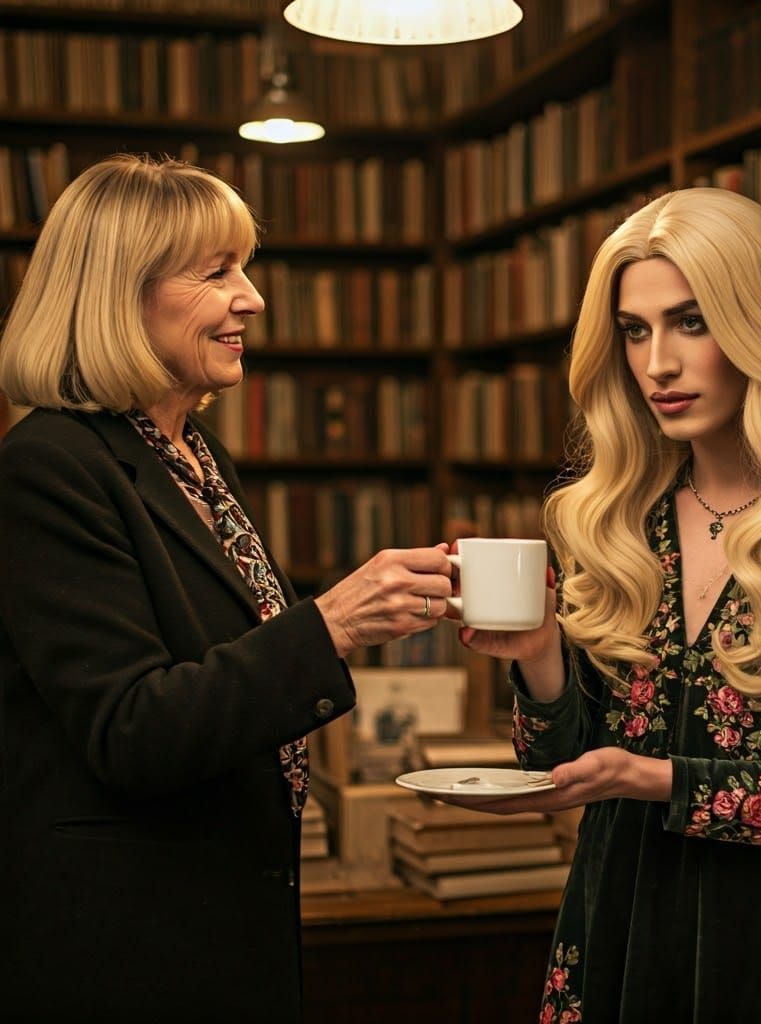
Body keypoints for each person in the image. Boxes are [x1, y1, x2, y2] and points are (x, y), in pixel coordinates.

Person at [444, 188, 761, 1022]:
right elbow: (562, 763)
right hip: (609, 933)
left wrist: (654, 779)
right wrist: (539, 658)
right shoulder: (615, 511)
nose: (657, 365)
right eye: (635, 330)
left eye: (692, 321)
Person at [0, 154, 453, 1023]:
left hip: (218, 921)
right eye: (217, 274)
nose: (252, 298)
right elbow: (131, 728)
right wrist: (331, 625)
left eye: (244, 268)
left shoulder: (196, 461)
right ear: (117, 295)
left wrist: (361, 618)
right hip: (124, 952)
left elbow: (226, 667)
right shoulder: (49, 467)